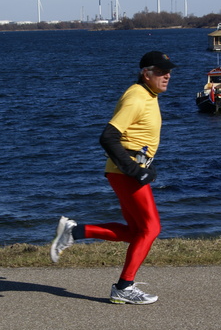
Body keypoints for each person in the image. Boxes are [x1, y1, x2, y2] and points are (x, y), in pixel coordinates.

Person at [50, 50, 176, 305]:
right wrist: (135, 170)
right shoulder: (137, 97)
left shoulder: (149, 95)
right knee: (151, 229)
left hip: (125, 171)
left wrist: (144, 165)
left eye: (169, 71)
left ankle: (76, 231)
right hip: (125, 172)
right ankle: (123, 287)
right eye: (161, 72)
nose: (167, 76)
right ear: (146, 73)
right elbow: (108, 137)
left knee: (137, 232)